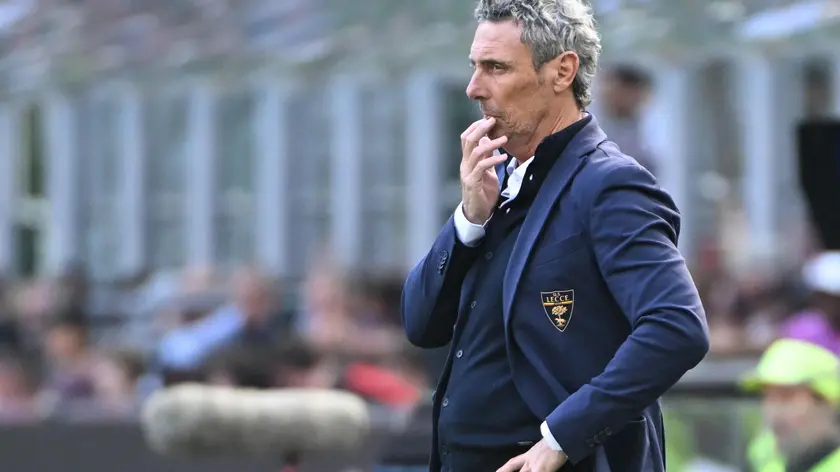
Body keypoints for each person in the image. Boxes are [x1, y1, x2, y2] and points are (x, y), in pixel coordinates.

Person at [399, 1, 709, 471]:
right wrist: (468, 220)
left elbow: (677, 327)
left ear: (563, 71)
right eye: (474, 67)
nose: (474, 88)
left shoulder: (610, 184)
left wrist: (561, 439)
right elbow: (421, 324)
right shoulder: (494, 186)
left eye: (496, 68)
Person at [740, 339, 840, 472]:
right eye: (767, 397)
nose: (773, 410)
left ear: (827, 402)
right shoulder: (763, 457)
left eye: (786, 397)